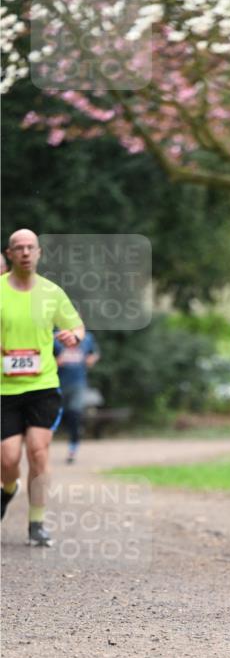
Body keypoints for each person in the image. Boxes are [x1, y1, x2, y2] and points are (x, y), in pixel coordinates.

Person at [1, 229, 85, 546]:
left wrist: (74, 336)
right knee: (7, 460)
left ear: (38, 253)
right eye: (18, 248)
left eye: (30, 247)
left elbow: (75, 325)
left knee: (38, 451)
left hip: (43, 384)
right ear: (10, 254)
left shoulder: (52, 292)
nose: (24, 252)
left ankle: (36, 522)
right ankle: (8, 488)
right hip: (4, 389)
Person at [54, 329, 100, 463]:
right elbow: (41, 357)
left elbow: (94, 354)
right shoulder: (54, 337)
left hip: (78, 383)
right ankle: (42, 449)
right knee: (57, 416)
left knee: (74, 415)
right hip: (57, 383)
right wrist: (55, 361)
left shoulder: (88, 338)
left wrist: (91, 359)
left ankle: (72, 450)